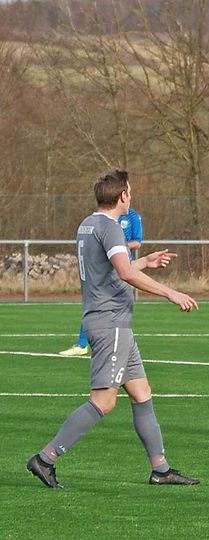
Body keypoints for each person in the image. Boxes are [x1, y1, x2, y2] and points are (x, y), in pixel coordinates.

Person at [27, 169, 199, 488]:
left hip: (110, 323)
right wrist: (171, 293)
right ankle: (45, 458)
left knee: (141, 392)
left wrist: (144, 262)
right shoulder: (110, 227)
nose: (131, 197)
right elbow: (123, 272)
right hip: (111, 324)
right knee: (104, 401)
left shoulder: (88, 224)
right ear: (122, 196)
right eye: (130, 193)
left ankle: (160, 469)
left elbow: (111, 269)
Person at [59, 207, 143, 356]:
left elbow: (137, 243)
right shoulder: (103, 219)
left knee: (108, 305)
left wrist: (116, 246)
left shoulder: (133, 217)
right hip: (105, 266)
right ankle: (83, 343)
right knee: (95, 301)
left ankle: (110, 342)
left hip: (122, 265)